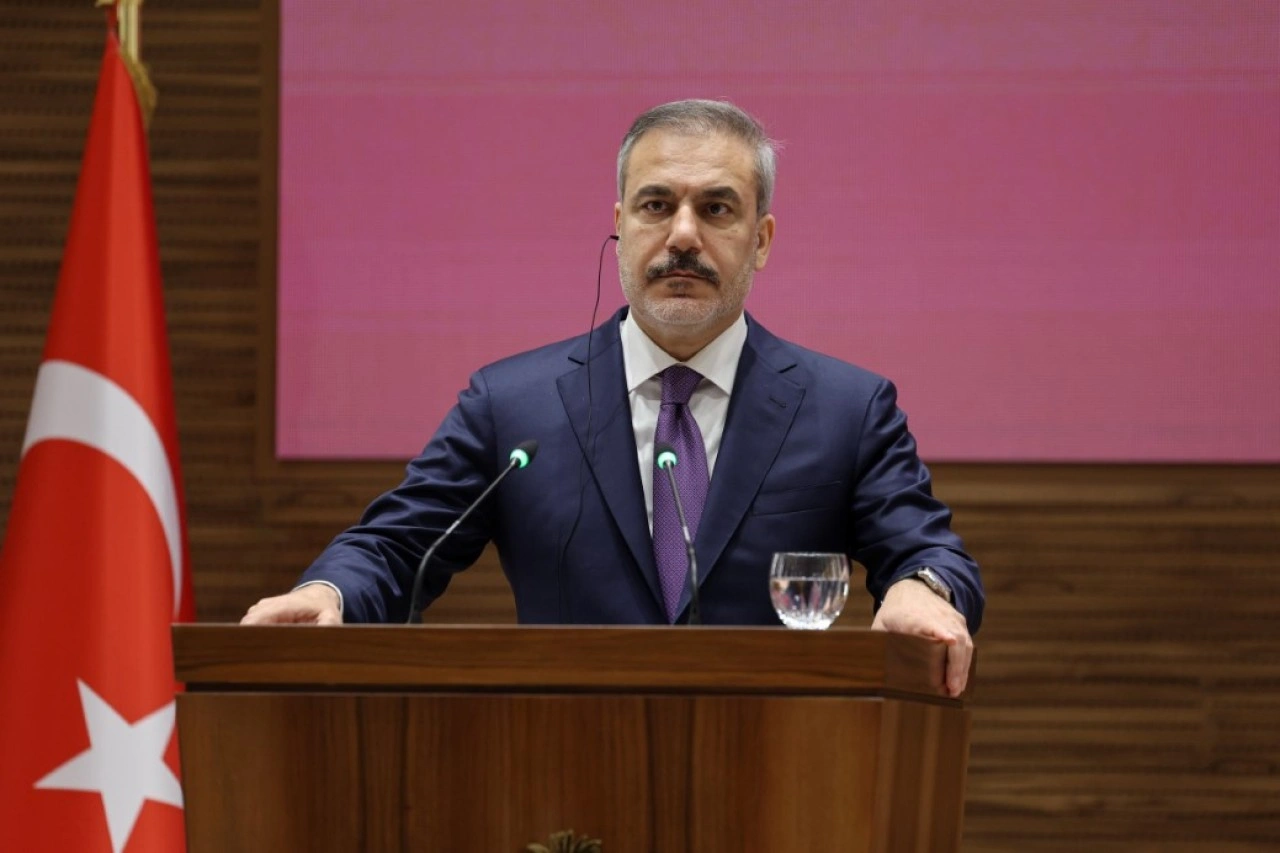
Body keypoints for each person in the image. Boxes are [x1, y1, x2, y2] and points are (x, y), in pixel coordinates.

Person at [243, 99, 983, 697]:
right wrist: (331, 593)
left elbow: (926, 551)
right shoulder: (513, 405)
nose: (683, 235)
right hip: (565, 782)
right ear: (620, 224)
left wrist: (923, 589)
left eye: (716, 209)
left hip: (779, 775)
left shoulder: (847, 410)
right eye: (656, 205)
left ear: (760, 240)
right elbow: (399, 544)